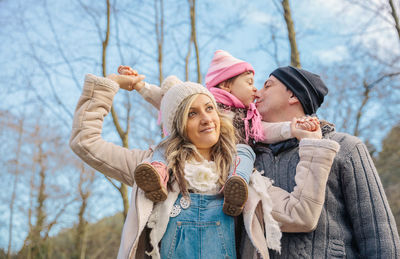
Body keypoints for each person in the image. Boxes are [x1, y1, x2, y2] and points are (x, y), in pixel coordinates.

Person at [69, 72, 340, 258]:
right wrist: (110, 84)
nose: (206, 119)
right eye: (192, 113)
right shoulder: (150, 167)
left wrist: (313, 146)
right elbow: (86, 142)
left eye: (209, 108)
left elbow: (301, 215)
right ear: (178, 125)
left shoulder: (243, 177)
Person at [118, 50, 318, 217]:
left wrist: (290, 129)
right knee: (167, 146)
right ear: (226, 85)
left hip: (227, 162)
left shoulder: (250, 117)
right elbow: (168, 100)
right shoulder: (206, 100)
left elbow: (265, 132)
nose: (255, 89)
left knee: (244, 153)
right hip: (196, 156)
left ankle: (236, 188)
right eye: (249, 82)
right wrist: (139, 85)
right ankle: (157, 173)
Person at [249, 65, 400, 258]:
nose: (257, 93)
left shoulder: (345, 147)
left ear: (293, 96)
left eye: (267, 85)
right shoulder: (251, 158)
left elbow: (379, 236)